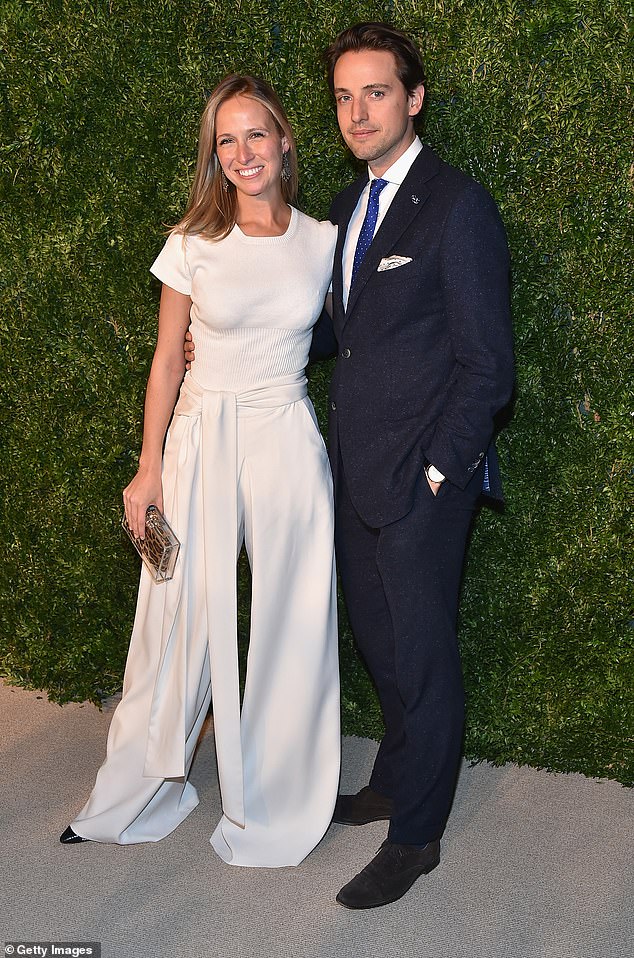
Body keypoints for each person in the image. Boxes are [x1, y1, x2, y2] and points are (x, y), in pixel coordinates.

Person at [185, 23, 514, 907]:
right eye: (343, 96)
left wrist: (443, 471)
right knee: (382, 645)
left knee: (423, 655)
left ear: (413, 99)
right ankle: (395, 783)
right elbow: (339, 328)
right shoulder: (344, 209)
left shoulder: (456, 207)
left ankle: (418, 838)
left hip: (423, 485)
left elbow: (489, 366)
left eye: (377, 92)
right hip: (352, 476)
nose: (359, 111)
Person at [60, 75, 340, 868]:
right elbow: (163, 362)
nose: (243, 152)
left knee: (292, 620)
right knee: (170, 624)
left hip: (286, 436)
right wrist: (147, 470)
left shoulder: (323, 240)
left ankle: (279, 804)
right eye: (227, 140)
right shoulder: (191, 242)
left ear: (285, 141)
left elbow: (360, 336)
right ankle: (131, 797)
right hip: (197, 437)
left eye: (257, 135)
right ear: (214, 157)